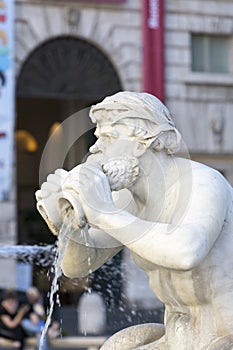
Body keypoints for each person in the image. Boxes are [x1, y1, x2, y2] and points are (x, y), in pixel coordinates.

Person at [36, 92, 233, 349]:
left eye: (107, 137)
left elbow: (187, 251)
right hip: (178, 338)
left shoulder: (203, 182)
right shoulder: (126, 201)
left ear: (143, 142)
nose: (95, 148)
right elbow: (78, 266)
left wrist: (103, 212)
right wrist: (68, 223)